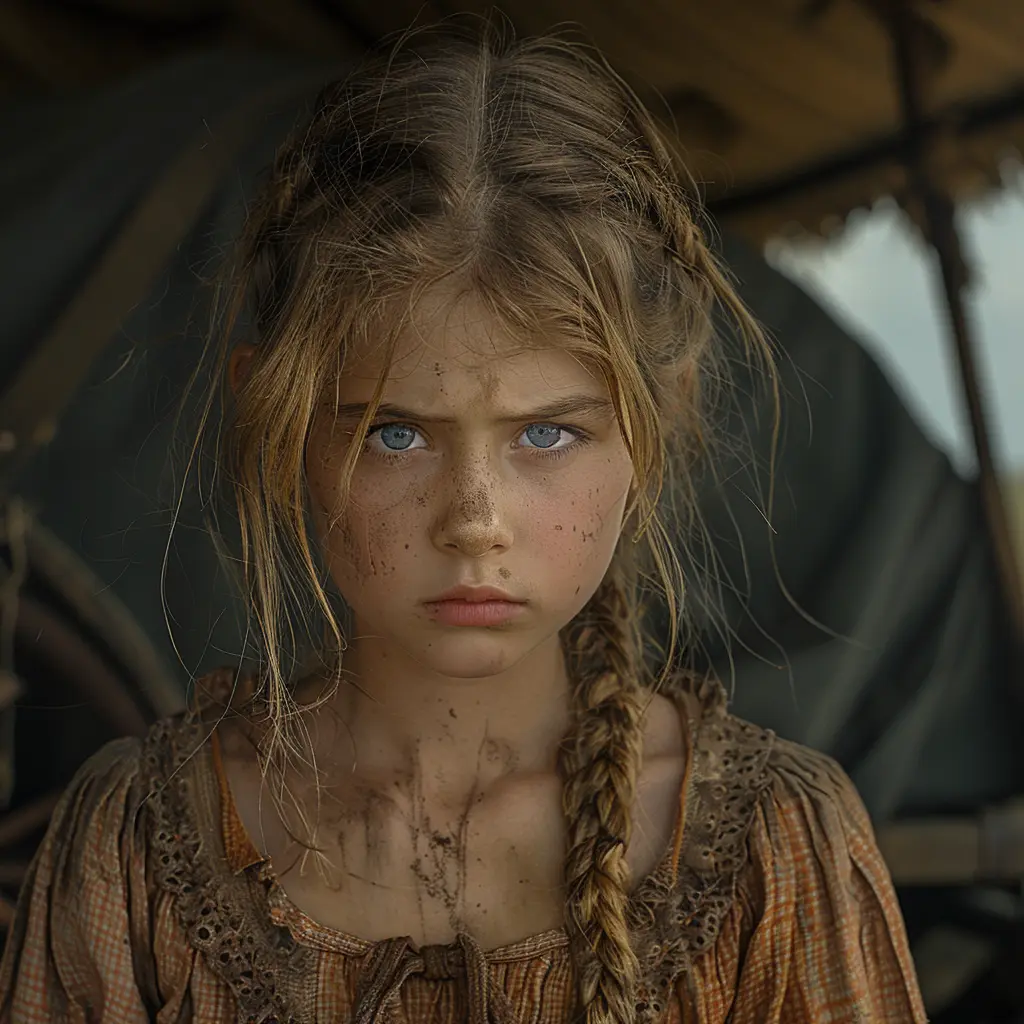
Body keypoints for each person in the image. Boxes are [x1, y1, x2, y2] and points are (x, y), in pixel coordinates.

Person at [0, 21, 926, 1024]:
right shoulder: (137, 849)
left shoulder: (773, 851)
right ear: (277, 419)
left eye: (545, 435)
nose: (474, 520)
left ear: (655, 421)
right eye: (397, 435)